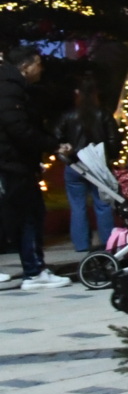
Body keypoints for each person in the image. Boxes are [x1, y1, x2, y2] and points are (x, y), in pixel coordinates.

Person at [0, 47, 71, 291]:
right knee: (29, 215)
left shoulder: (12, 86)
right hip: (13, 163)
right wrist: (52, 145)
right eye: (38, 63)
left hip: (14, 162)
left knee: (20, 216)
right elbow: (18, 127)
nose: (41, 68)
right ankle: (34, 271)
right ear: (25, 66)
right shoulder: (10, 88)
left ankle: (34, 268)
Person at [56, 80, 117, 255]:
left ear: (78, 94)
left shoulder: (69, 115)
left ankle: (81, 244)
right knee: (103, 205)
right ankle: (108, 242)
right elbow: (113, 139)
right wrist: (110, 157)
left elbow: (58, 135)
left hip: (75, 164)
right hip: (98, 165)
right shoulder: (103, 114)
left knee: (77, 206)